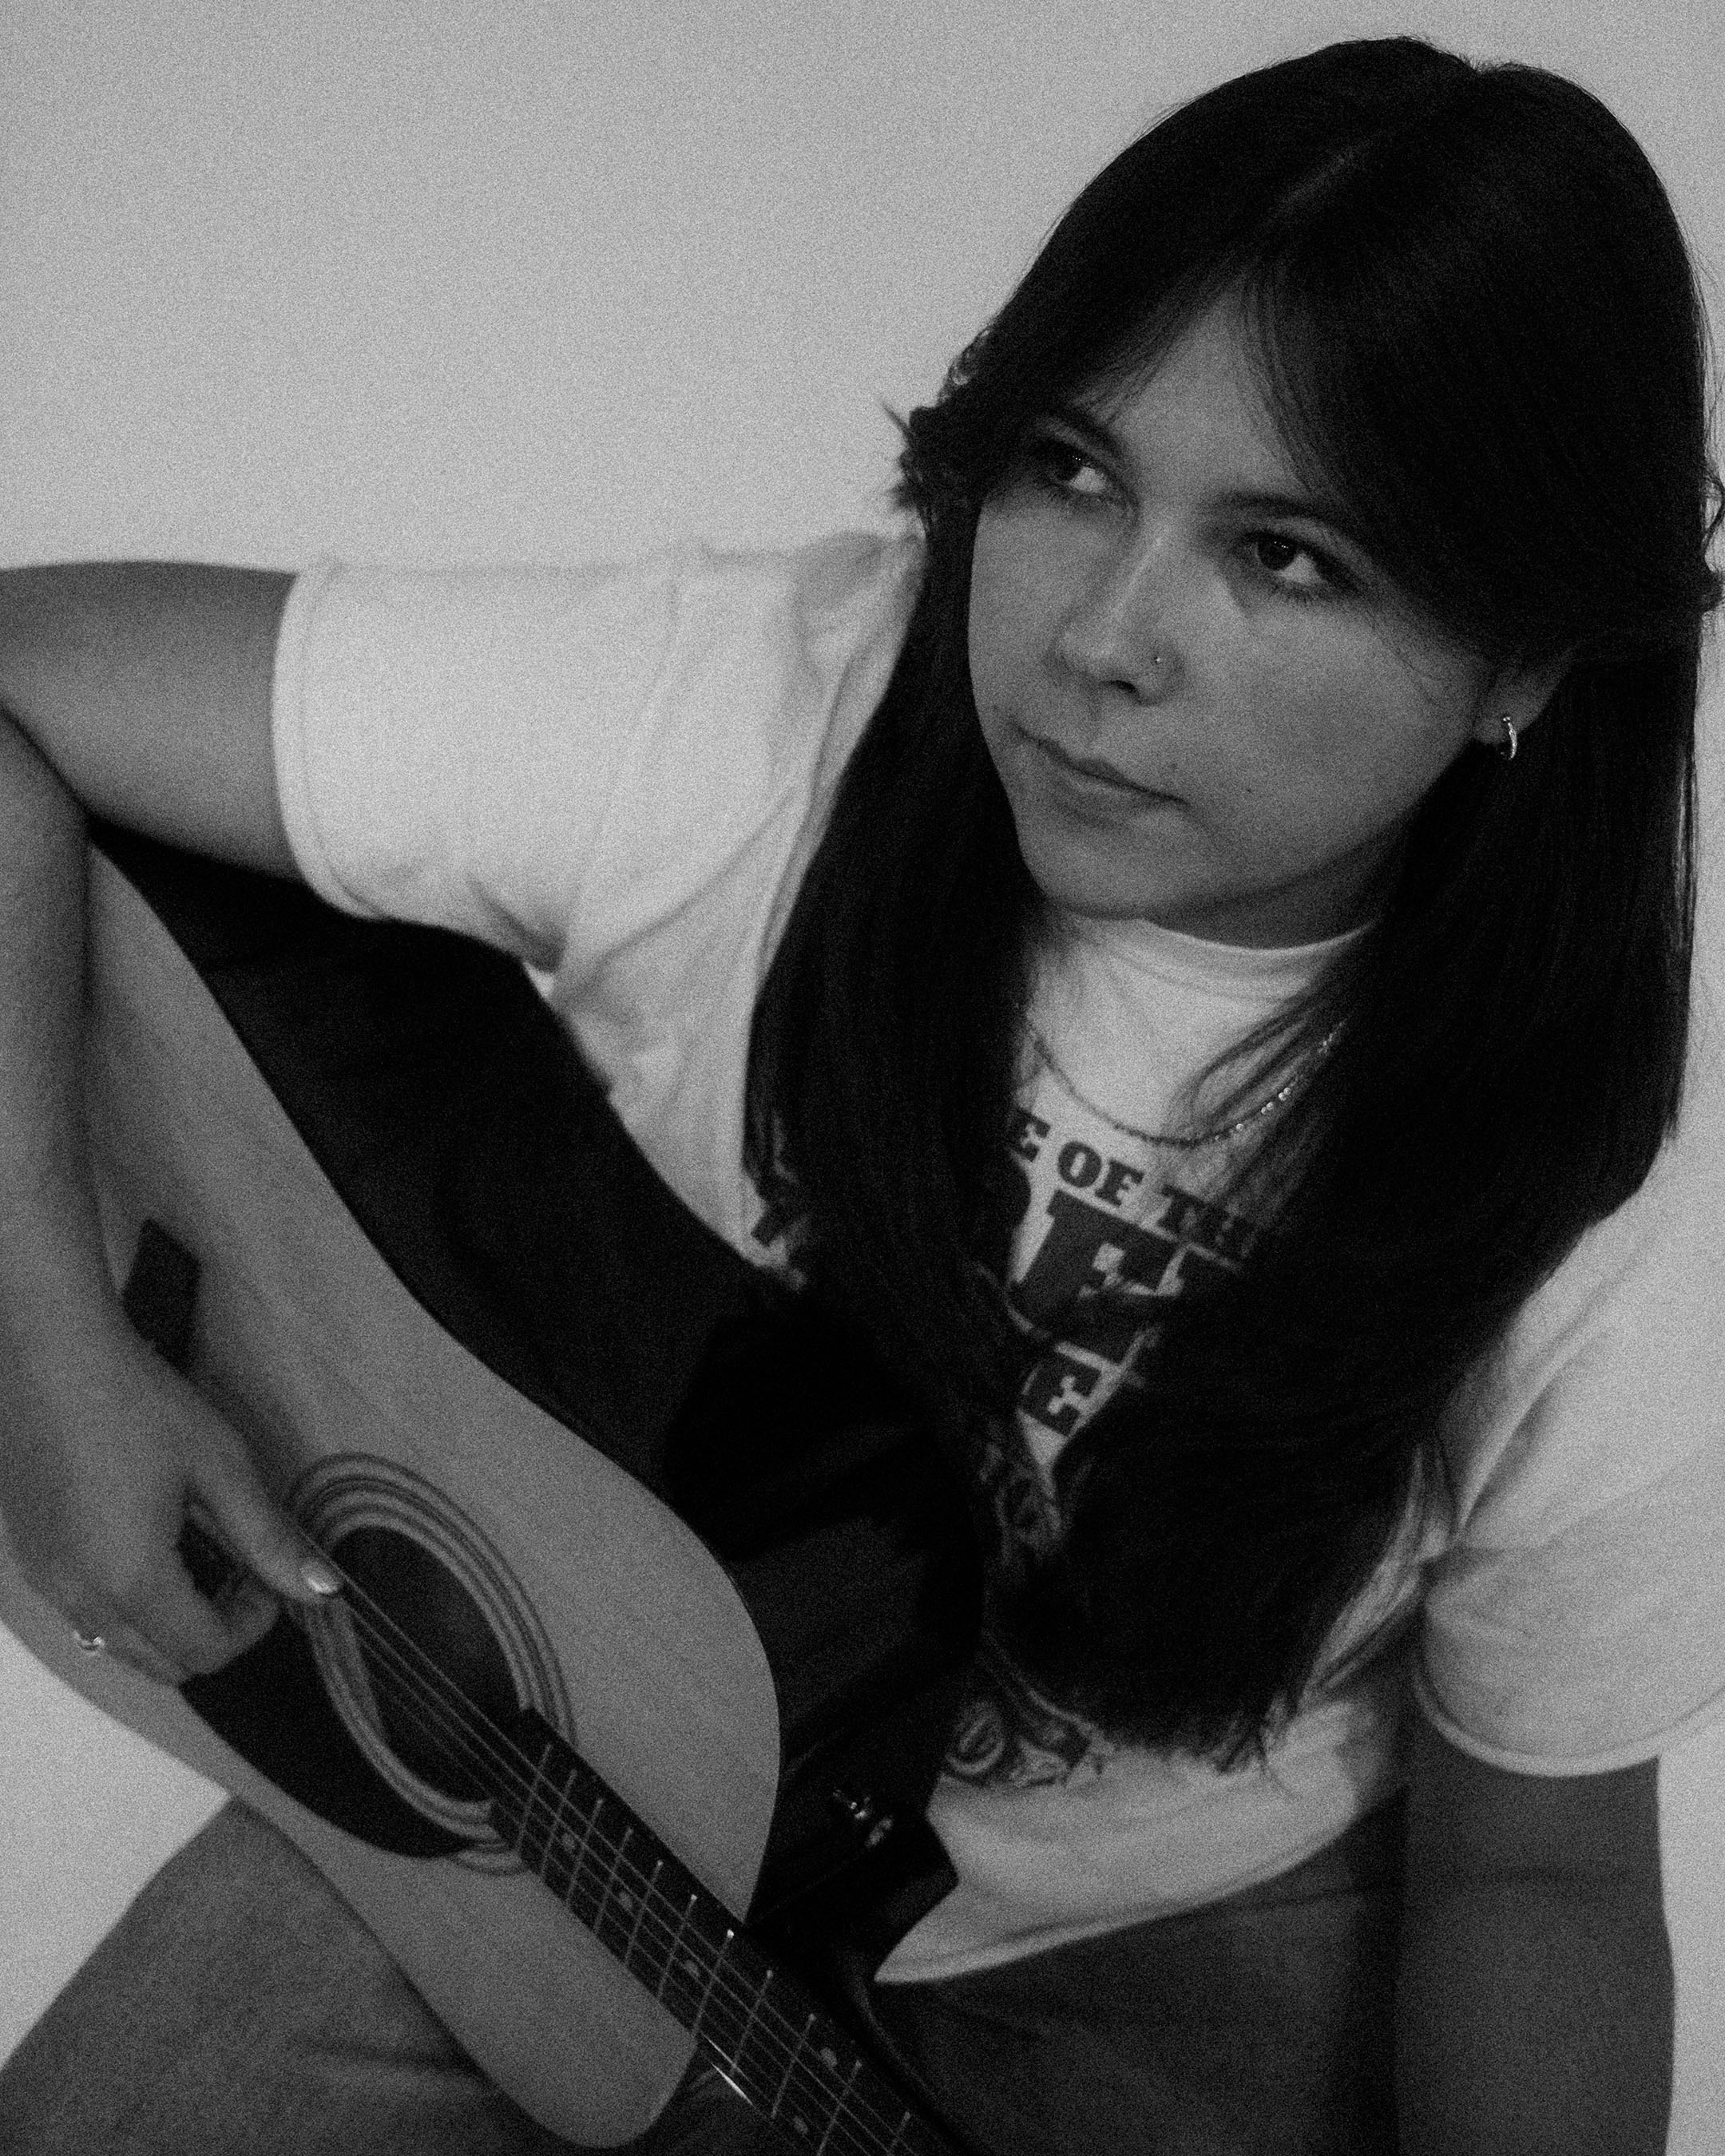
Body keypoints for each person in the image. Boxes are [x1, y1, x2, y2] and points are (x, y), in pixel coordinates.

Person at [0, 32, 1719, 2156]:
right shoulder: (751, 723)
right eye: (1072, 468)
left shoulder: (1617, 1199)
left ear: (1532, 658)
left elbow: (1541, 1879)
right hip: (583, 1744)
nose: (1100, 633)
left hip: (1157, 1921)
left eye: (1288, 557)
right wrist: (45, 1339)